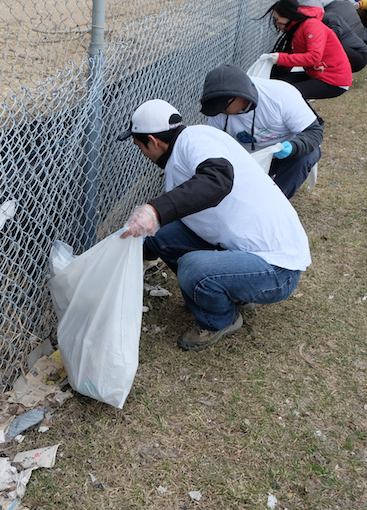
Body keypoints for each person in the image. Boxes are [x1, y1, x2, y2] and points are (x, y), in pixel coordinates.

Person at [117, 99, 311, 351]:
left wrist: (155, 210)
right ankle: (226, 291)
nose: (142, 153)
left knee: (192, 268)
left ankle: (220, 320)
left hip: (278, 268)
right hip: (248, 248)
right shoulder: (189, 144)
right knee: (159, 233)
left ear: (153, 141)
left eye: (139, 146)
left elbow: (217, 180)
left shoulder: (196, 141)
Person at [200, 64, 324, 198]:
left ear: (240, 96)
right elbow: (216, 146)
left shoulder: (280, 95)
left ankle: (277, 201)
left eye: (223, 107)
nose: (221, 112)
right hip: (247, 160)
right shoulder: (221, 113)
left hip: (282, 155)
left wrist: (293, 147)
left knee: (308, 154)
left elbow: (314, 132)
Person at [263, 0, 352, 100]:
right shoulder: (297, 28)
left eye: (278, 20)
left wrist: (280, 58)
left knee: (287, 94)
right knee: (279, 85)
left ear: (287, 16)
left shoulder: (311, 25)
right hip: (318, 74)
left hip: (333, 80)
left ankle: (308, 116)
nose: (277, 24)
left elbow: (314, 57)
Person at [304, 0, 367, 72]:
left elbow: (337, 32)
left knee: (328, 47)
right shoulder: (327, 18)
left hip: (358, 54)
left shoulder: (329, 17)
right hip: (354, 53)